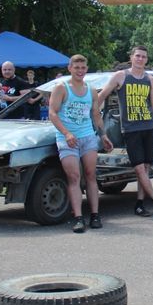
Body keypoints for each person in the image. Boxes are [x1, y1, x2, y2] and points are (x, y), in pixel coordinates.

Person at [98, 45, 153, 217]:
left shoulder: (150, 79)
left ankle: (139, 204)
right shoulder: (121, 76)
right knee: (138, 169)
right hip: (131, 129)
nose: (140, 59)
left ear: (147, 59)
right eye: (138, 56)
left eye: (144, 57)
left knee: (145, 167)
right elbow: (101, 95)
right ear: (131, 57)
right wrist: (93, 112)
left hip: (149, 126)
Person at [48, 55, 111, 233]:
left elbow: (96, 114)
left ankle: (95, 215)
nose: (80, 71)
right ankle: (78, 217)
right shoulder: (61, 88)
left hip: (88, 137)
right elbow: (52, 113)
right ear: (70, 68)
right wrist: (66, 133)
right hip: (67, 139)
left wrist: (103, 135)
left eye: (83, 67)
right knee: (74, 177)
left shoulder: (90, 90)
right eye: (77, 67)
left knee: (91, 175)